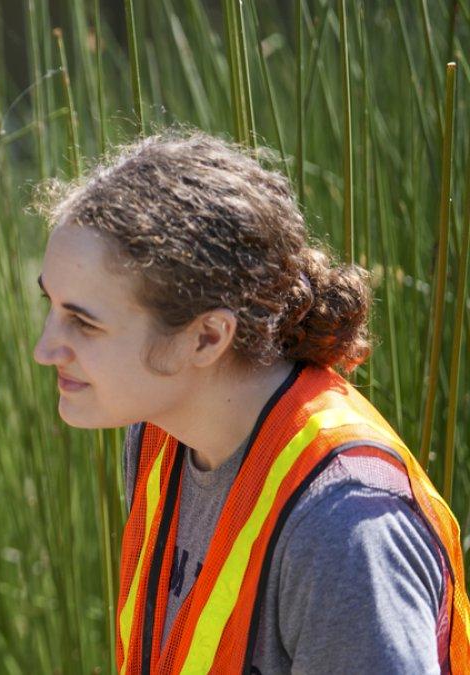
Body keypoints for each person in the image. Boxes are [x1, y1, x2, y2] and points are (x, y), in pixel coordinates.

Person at [32, 133, 469, 673]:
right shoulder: (158, 434)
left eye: (84, 322)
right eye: (49, 304)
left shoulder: (347, 530)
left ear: (206, 338)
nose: (45, 348)